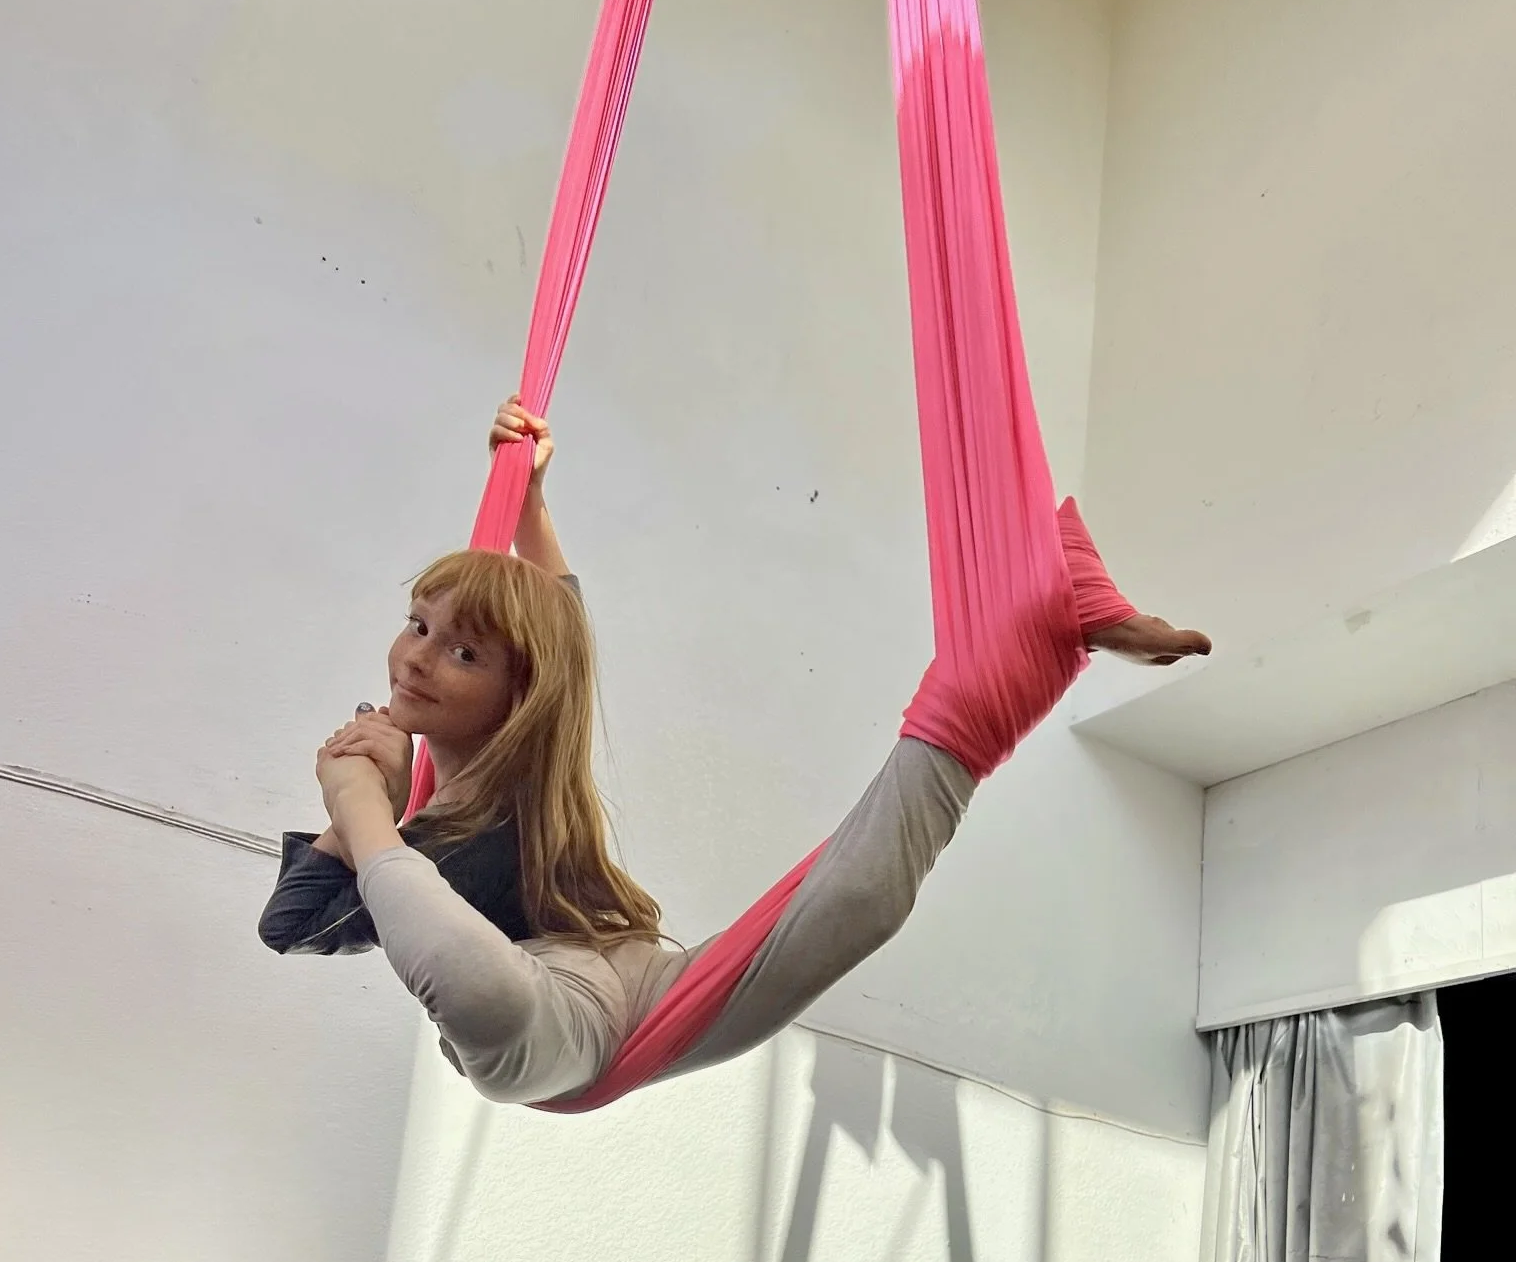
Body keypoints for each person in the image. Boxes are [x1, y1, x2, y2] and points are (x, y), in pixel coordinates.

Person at [261, 400, 1211, 1106]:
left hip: (623, 975)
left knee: (851, 899)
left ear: (519, 692)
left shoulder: (517, 767)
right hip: (566, 1021)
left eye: (462, 651)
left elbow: (563, 633)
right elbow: (292, 926)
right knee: (493, 1007)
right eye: (416, 625)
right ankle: (1019, 662)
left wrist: (530, 503)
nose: (417, 660)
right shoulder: (411, 837)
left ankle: (1038, 634)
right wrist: (366, 810)